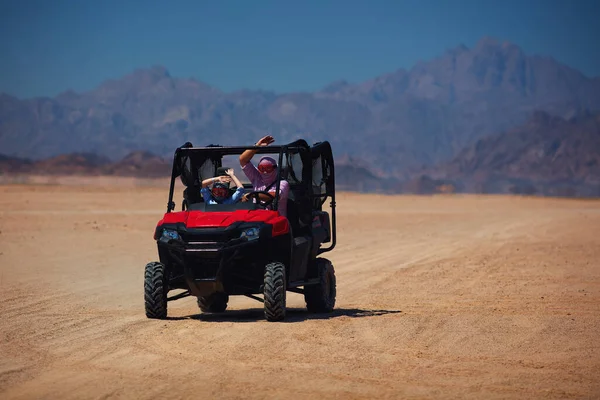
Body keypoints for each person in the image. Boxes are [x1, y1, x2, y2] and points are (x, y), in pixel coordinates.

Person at [239, 135, 290, 217]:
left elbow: (273, 196)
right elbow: (243, 160)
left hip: (277, 221)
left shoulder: (283, 183)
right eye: (262, 168)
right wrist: (257, 146)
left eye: (268, 168)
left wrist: (252, 195)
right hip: (257, 220)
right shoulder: (257, 176)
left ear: (275, 169)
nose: (265, 172)